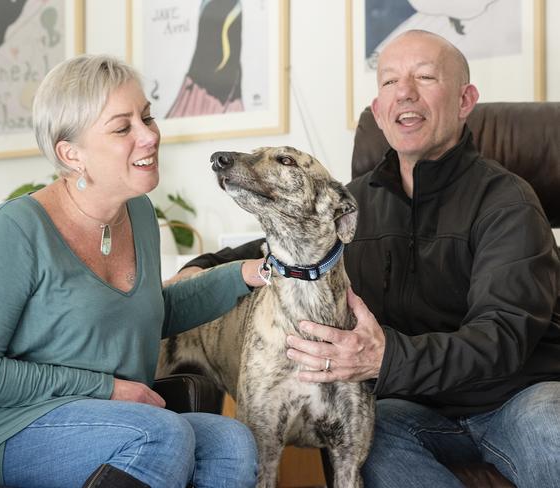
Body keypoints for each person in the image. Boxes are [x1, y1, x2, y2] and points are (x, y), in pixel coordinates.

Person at [176, 30, 560, 487]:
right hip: (412, 407)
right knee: (370, 440)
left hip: (514, 397)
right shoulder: (349, 202)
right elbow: (277, 244)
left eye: (425, 76)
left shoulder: (508, 201)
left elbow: (502, 336)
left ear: (464, 100)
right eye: (389, 82)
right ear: (378, 111)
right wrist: (200, 266)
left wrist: (386, 358)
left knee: (550, 427)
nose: (405, 93)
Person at [0, 54, 266, 488]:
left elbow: (147, 310)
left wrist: (249, 272)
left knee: (230, 440)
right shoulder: (16, 230)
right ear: (71, 153)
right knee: (158, 435)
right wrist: (110, 389)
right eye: (123, 128)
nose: (149, 136)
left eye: (148, 117)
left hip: (96, 416)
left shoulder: (138, 214)